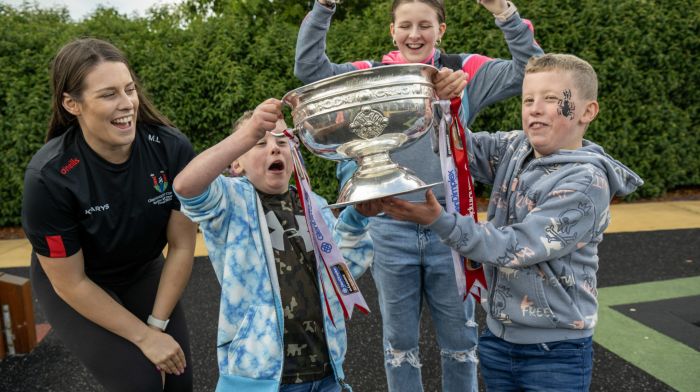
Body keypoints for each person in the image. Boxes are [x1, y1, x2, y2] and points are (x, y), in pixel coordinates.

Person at [294, 0, 543, 390]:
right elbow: (309, 71)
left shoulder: (463, 72)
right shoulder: (370, 77)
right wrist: (324, 7)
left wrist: (505, 14)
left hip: (450, 226)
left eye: (425, 25)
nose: (415, 35)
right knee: (400, 343)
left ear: (441, 29)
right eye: (405, 25)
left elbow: (533, 71)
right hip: (390, 227)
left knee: (461, 340)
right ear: (391, 30)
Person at [382, 53, 644, 391]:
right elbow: (456, 147)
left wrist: (439, 221)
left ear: (587, 111)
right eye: (528, 99)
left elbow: (514, 246)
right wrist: (438, 103)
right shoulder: (516, 148)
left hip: (554, 352)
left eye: (551, 99)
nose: (534, 108)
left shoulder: (586, 183)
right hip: (498, 339)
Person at [21, 38, 197, 391]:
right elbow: (70, 282)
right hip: (78, 282)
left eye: (129, 89)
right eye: (108, 94)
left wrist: (157, 326)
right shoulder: (50, 177)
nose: (127, 104)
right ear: (72, 104)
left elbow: (181, 246)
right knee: (142, 381)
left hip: (141, 270)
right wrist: (143, 338)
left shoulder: (171, 148)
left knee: (178, 380)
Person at [172, 99, 382, 391]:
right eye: (259, 143)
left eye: (283, 141)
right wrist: (249, 132)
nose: (274, 147)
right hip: (261, 379)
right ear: (236, 163)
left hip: (326, 372)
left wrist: (357, 218)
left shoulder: (314, 205)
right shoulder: (230, 201)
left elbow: (345, 270)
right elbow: (186, 187)